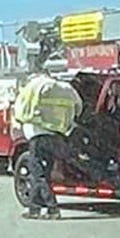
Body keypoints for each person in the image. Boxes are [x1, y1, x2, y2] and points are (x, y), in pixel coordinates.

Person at [14, 72, 83, 220]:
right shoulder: (66, 87)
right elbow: (79, 108)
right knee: (44, 173)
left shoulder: (33, 86)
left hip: (38, 135)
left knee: (37, 174)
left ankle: (52, 209)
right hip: (58, 135)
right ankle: (34, 208)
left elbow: (20, 111)